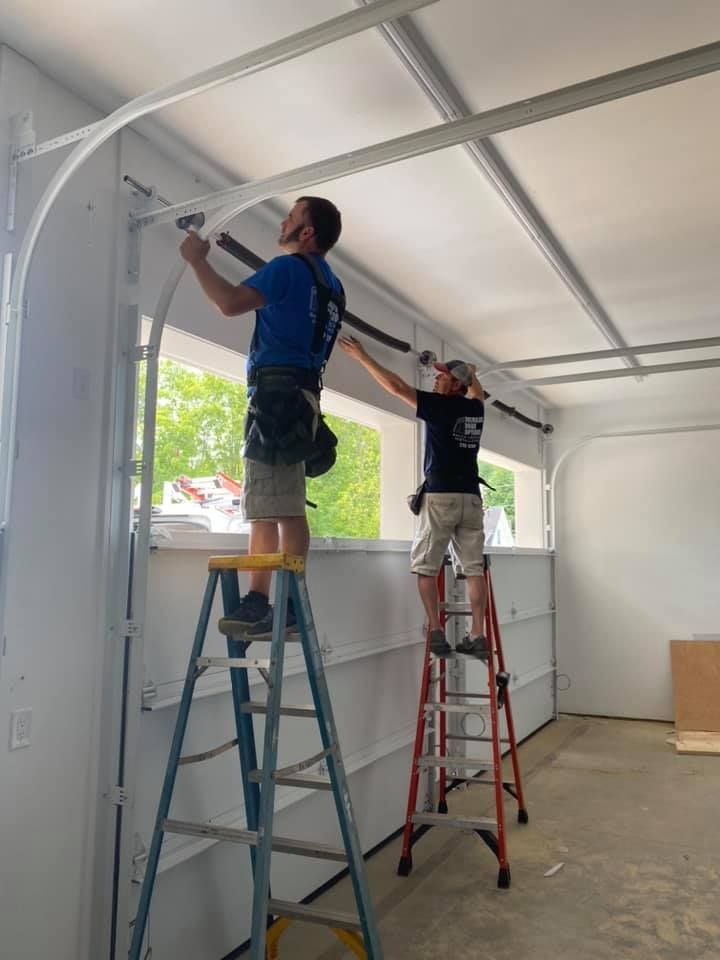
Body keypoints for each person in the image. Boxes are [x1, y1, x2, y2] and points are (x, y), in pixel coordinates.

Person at [180, 196, 344, 637]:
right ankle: (272, 600)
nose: (284, 221)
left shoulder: (289, 267)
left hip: (276, 401)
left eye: (293, 216)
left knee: (276, 507)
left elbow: (230, 302)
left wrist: (197, 262)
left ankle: (271, 603)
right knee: (271, 506)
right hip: (301, 396)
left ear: (307, 232)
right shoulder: (332, 286)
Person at [338, 335, 488, 659]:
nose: (436, 378)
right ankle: (477, 634)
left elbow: (396, 387)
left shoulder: (440, 407)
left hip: (442, 499)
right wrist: (469, 372)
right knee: (474, 569)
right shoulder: (476, 409)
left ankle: (435, 631)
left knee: (425, 568)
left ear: (455, 386)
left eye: (442, 376)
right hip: (472, 500)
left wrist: (362, 356)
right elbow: (477, 390)